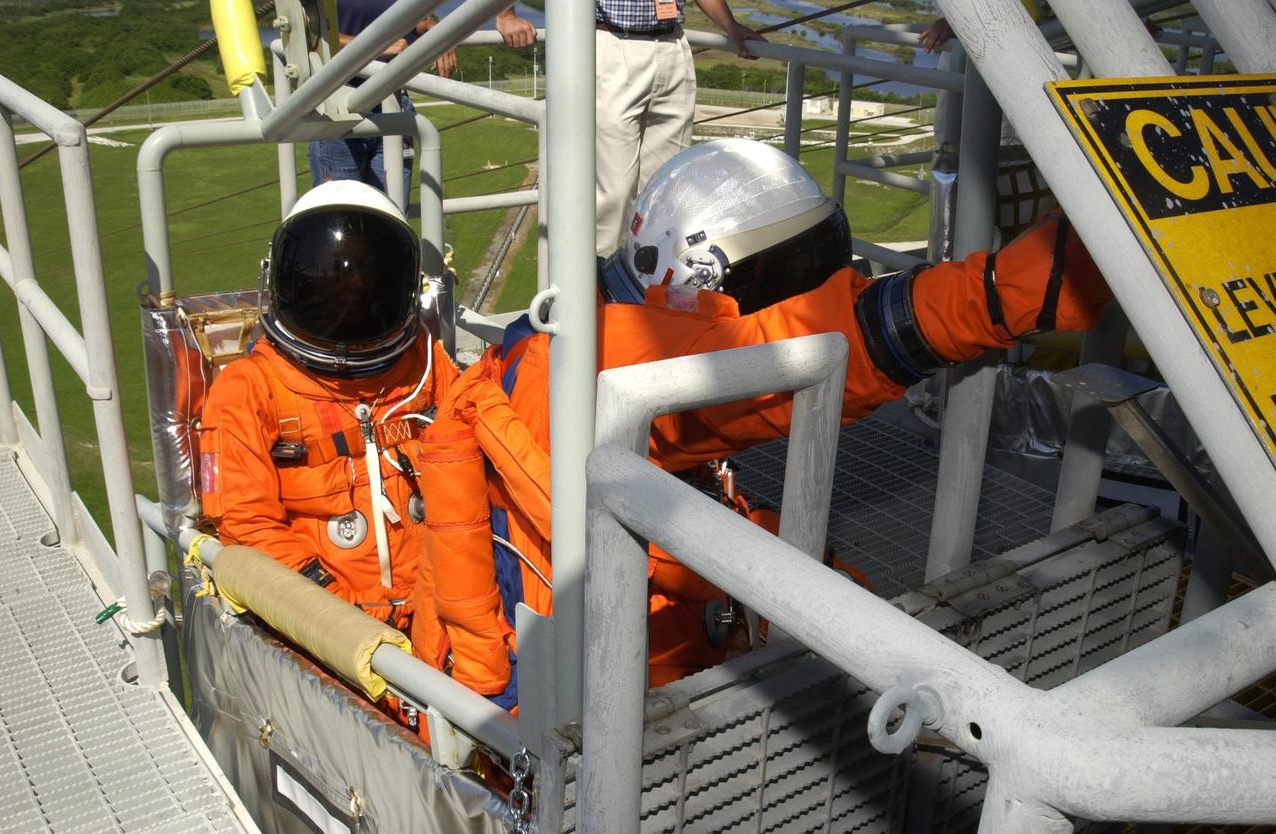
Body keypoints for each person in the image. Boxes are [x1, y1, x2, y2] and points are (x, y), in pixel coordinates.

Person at [409, 138, 1112, 703]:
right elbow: (823, 345)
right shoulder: (624, 363)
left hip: (614, 643)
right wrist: (1005, 295)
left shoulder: (598, 336)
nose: (811, 289)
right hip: (599, 701)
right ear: (699, 277)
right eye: (788, 276)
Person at [199, 179, 458, 631]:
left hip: (440, 608)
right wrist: (346, 621)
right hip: (331, 631)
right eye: (334, 284)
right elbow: (248, 527)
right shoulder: (250, 390)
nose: (350, 298)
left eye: (366, 283)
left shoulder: (424, 364)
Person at [309, 0, 537, 195]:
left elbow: (407, 18)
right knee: (343, 216)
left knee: (393, 218)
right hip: (338, 111)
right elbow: (310, 33)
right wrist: (376, 46)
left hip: (394, 105)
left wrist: (436, 33)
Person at [594, 0, 765, 255]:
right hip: (614, 42)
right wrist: (509, 14)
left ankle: (644, 288)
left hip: (672, 46)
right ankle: (598, 287)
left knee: (663, 193)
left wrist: (730, 25)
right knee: (614, 196)